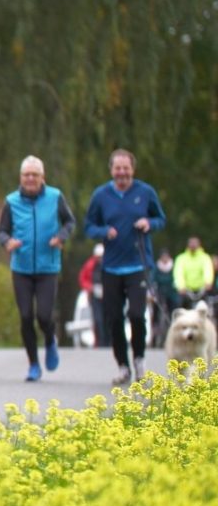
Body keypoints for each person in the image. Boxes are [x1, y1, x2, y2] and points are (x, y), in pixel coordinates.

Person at [84, 148, 166, 385]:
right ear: (111, 170)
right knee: (114, 319)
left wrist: (149, 222)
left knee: (137, 315)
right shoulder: (101, 195)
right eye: (117, 168)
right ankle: (123, 366)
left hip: (138, 264)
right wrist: (103, 231)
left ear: (132, 169)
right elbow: (89, 225)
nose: (122, 173)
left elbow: (161, 219)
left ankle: (139, 360)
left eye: (126, 168)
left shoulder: (145, 192)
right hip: (111, 266)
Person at [0, 156, 76, 382]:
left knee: (43, 315)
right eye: (26, 175)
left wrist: (61, 237)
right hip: (21, 266)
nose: (30, 179)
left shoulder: (55, 197)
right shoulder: (11, 201)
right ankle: (33, 364)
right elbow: (2, 230)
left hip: (48, 266)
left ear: (43, 177)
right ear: (21, 178)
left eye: (35, 175)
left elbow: (70, 222)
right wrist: (7, 242)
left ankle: (50, 339)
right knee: (25, 316)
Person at [173, 236, 213, 308]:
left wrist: (208, 282)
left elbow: (208, 270)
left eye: (195, 243)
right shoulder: (181, 258)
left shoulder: (205, 257)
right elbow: (178, 273)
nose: (193, 245)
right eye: (191, 243)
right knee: (181, 309)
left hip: (201, 290)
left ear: (199, 244)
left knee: (206, 309)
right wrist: (181, 286)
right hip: (186, 291)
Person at [78, 244, 106, 348]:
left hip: (108, 296)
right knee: (98, 319)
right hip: (95, 296)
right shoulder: (90, 265)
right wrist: (90, 288)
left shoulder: (109, 265)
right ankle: (99, 343)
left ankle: (109, 342)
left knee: (108, 319)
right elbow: (82, 278)